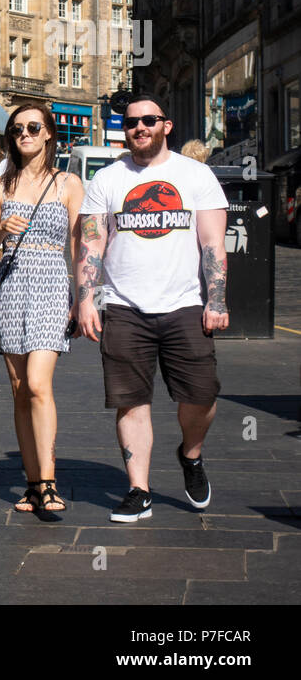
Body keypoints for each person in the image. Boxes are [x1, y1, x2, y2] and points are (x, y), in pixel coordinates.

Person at [76, 95, 229, 523]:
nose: (139, 128)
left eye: (148, 121)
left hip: (185, 305)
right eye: (130, 123)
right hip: (124, 307)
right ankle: (138, 490)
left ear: (166, 125)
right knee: (131, 401)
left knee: (201, 395)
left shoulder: (196, 175)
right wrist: (87, 297)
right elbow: (91, 242)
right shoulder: (106, 179)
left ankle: (191, 455)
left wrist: (216, 299)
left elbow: (213, 243)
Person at [0, 103, 84, 515]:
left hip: (52, 285)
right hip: (10, 286)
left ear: (48, 135)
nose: (24, 133)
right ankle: (32, 482)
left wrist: (83, 294)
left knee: (39, 384)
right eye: (17, 128)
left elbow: (77, 245)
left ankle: (50, 478)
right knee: (20, 390)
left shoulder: (68, 184)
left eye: (33, 127)